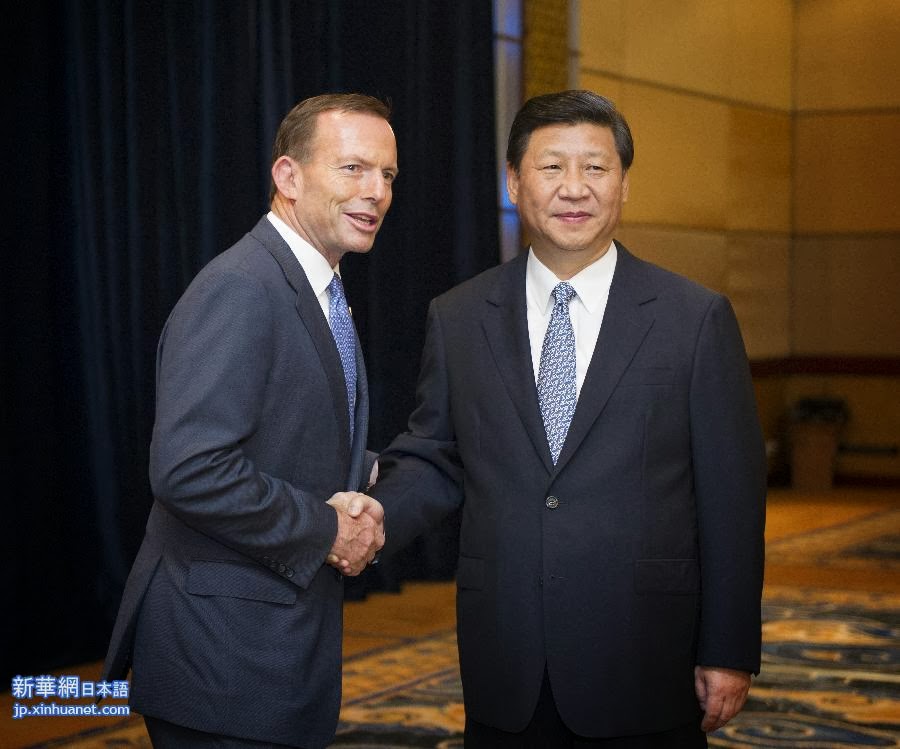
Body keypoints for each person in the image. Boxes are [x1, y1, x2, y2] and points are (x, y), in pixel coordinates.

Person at [370, 90, 767, 748]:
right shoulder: (459, 316)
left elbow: (733, 498)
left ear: (624, 184)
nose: (574, 188)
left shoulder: (694, 319)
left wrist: (729, 648)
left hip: (645, 655)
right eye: (552, 166)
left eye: (596, 168)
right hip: (507, 656)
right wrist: (372, 515)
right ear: (513, 182)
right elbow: (435, 454)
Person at [102, 93, 396, 748]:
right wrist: (328, 528)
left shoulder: (316, 285)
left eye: (387, 174)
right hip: (222, 657)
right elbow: (189, 469)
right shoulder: (241, 286)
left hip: (265, 652)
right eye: (352, 168)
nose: (376, 191)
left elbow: (284, 428)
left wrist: (371, 473)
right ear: (288, 176)